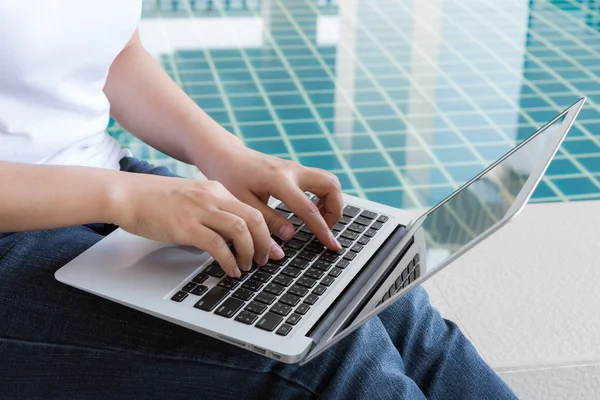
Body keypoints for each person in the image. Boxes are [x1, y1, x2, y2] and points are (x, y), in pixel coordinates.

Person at [0, 1, 518, 398]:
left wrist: (224, 154)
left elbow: (111, 51)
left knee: (382, 294)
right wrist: (126, 198)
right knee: (321, 361)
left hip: (104, 175)